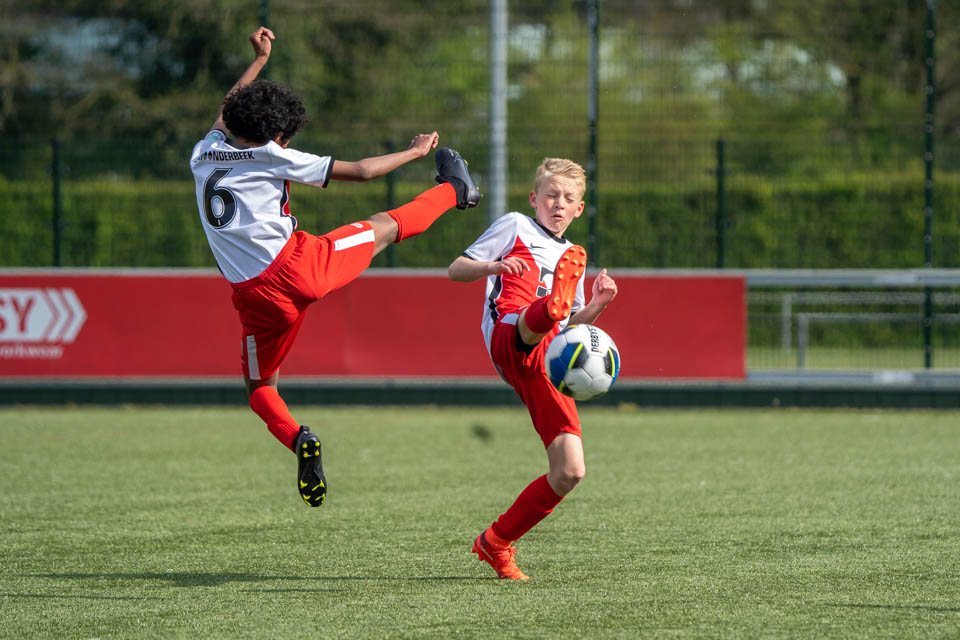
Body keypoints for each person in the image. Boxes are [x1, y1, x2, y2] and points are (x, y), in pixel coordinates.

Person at [190, 27, 481, 507]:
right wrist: (414, 151)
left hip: (253, 296)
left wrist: (259, 60)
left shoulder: (203, 152)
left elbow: (226, 107)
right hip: (299, 267)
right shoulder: (271, 154)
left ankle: (299, 438)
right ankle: (456, 191)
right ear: (278, 135)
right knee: (384, 227)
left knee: (261, 388)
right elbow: (363, 171)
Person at [448, 158, 618, 580]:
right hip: (508, 332)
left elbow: (570, 327)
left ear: (579, 209)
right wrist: (495, 266)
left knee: (570, 471)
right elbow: (456, 269)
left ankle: (495, 543)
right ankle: (543, 307)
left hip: (545, 357)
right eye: (551, 196)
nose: (558, 204)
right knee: (535, 321)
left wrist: (596, 305)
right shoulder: (515, 226)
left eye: (568, 199)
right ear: (534, 199)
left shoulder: (571, 257)